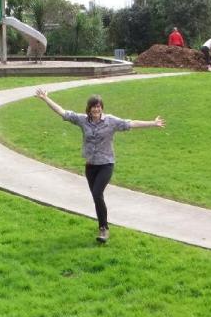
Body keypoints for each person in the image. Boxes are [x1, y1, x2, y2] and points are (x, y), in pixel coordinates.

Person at [35, 89, 165, 243]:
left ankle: (104, 229)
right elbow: (63, 113)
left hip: (106, 164)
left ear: (102, 108)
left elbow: (130, 123)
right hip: (90, 166)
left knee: (97, 193)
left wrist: (152, 123)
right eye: (93, 106)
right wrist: (45, 99)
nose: (96, 109)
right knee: (97, 197)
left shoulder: (110, 121)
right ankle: (102, 224)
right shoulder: (82, 120)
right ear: (89, 108)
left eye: (99, 106)